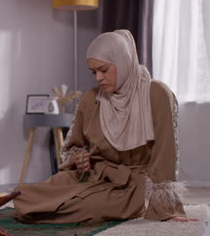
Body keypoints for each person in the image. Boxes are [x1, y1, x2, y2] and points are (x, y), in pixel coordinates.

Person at [13, 29, 194, 223]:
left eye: (104, 70)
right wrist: (79, 156)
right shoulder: (90, 99)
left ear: (123, 61)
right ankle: (40, 206)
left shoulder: (156, 94)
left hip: (132, 187)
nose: (98, 78)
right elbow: (73, 146)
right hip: (92, 175)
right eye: (94, 72)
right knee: (24, 194)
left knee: (82, 205)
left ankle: (50, 209)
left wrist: (166, 208)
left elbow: (165, 156)